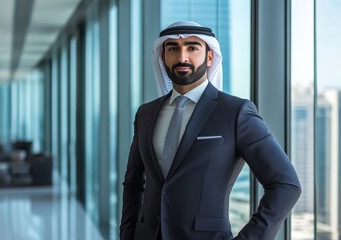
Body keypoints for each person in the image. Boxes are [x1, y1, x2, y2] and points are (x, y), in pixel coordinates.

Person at [119, 21, 301, 240]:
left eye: (192, 48)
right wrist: (127, 234)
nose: (182, 57)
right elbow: (133, 184)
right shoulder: (145, 113)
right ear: (162, 56)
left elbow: (286, 184)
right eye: (173, 49)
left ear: (210, 57)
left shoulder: (235, 112)